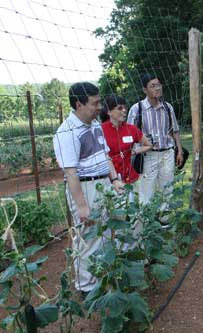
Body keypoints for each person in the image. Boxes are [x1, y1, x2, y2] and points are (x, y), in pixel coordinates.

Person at [53, 82, 125, 294]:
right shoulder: (66, 132)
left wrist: (114, 179)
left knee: (108, 230)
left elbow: (105, 155)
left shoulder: (94, 125)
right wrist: (82, 206)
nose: (100, 107)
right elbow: (71, 173)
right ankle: (87, 288)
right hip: (85, 188)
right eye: (95, 103)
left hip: (103, 184)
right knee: (88, 238)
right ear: (78, 104)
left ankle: (103, 277)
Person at [127, 73, 184, 203]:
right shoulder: (137, 109)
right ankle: (145, 220)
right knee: (146, 190)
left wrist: (179, 150)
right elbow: (130, 135)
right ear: (144, 90)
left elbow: (175, 130)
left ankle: (165, 220)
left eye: (159, 85)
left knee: (167, 189)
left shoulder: (167, 107)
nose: (157, 88)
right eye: (153, 86)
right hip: (147, 155)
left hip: (167, 153)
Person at [100, 95, 152, 186]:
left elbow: (149, 145)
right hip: (108, 179)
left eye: (125, 107)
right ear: (109, 112)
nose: (124, 110)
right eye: (119, 108)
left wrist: (134, 151)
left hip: (129, 178)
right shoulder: (100, 130)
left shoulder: (131, 129)